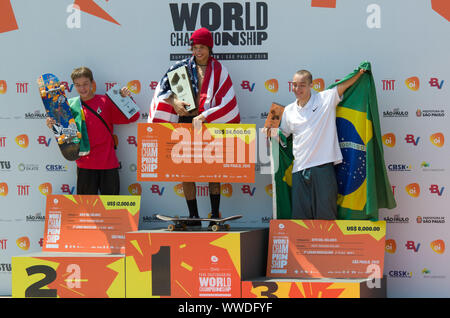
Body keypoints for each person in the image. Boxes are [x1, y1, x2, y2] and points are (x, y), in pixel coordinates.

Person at [149, 27, 240, 228]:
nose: (198, 51)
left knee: (212, 171)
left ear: (209, 48)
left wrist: (206, 115)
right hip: (185, 123)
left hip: (208, 124)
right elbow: (163, 90)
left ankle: (215, 214)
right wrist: (174, 103)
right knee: (186, 172)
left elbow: (228, 101)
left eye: (202, 47)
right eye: (195, 47)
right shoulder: (179, 67)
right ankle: (194, 216)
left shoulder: (219, 70)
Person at [279, 68, 365, 219]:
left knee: (326, 216)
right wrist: (270, 132)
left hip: (323, 167)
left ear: (311, 85)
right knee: (301, 219)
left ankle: (325, 244)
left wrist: (359, 74)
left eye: (302, 85)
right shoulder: (288, 110)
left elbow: (343, 86)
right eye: (294, 85)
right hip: (299, 169)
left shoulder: (325, 98)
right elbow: (283, 136)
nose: (297, 89)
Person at [46, 66, 140, 195]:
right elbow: (64, 133)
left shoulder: (105, 101)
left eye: (85, 84)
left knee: (111, 210)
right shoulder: (70, 105)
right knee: (86, 210)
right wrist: (52, 124)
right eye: (78, 85)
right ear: (73, 86)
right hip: (85, 165)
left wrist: (127, 99)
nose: (82, 88)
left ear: (92, 83)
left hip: (108, 163)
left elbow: (133, 117)